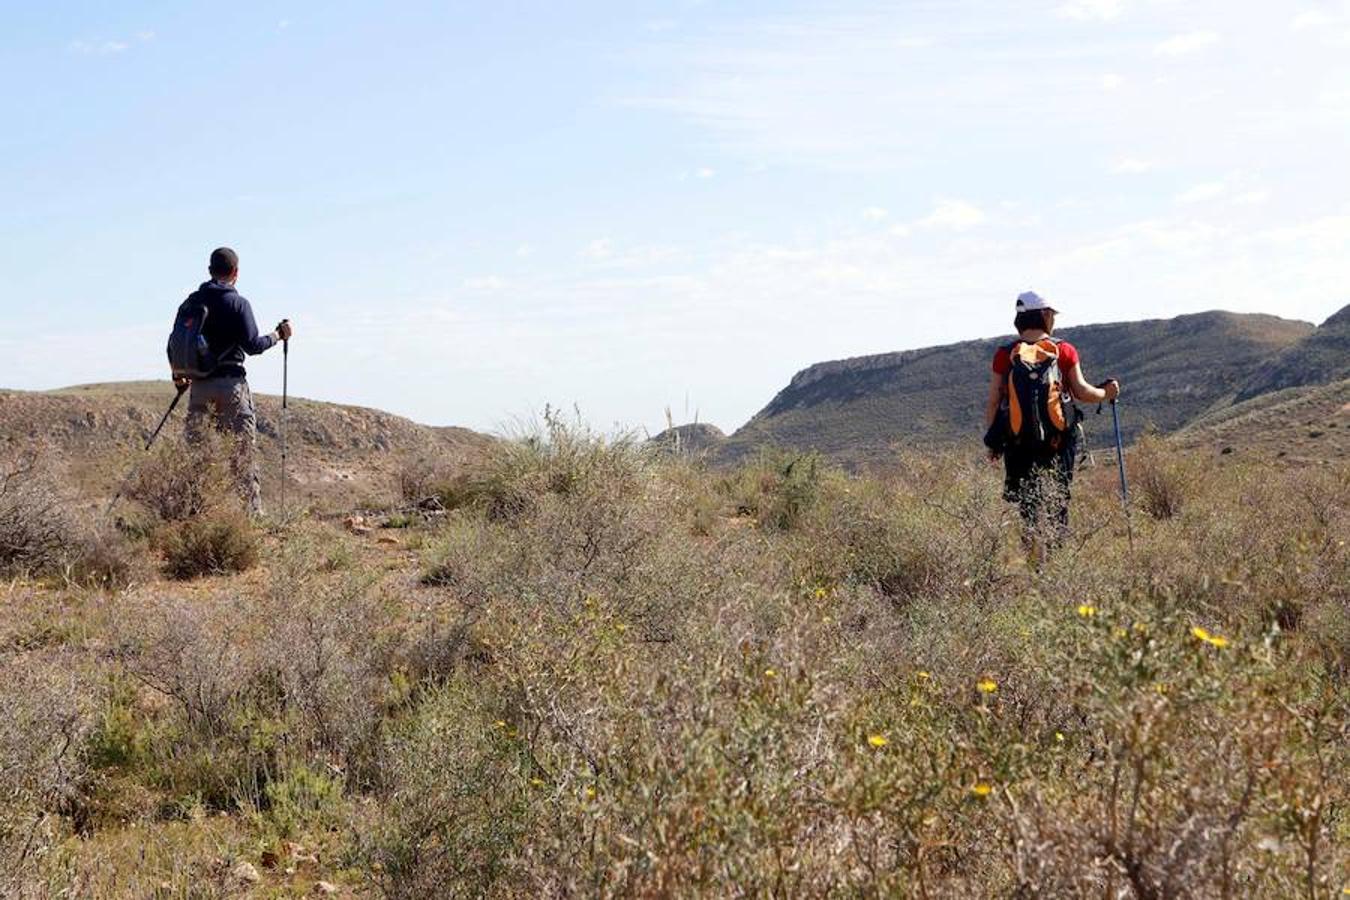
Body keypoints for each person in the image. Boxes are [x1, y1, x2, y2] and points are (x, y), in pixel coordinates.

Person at [984, 291, 1118, 544]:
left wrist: (993, 442)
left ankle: (1034, 564)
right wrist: (1106, 393)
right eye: (1052, 314)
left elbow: (993, 401)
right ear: (1044, 315)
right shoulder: (1063, 349)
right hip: (1059, 441)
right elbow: (1081, 392)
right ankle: (1058, 563)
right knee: (1058, 501)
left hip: (1018, 441)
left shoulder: (1005, 354)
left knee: (1028, 507)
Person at [176, 247, 293, 517]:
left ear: (209, 271)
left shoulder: (191, 303)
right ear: (236, 273)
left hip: (199, 386)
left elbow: (178, 343)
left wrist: (180, 377)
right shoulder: (238, 304)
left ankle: (194, 517)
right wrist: (278, 335)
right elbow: (253, 345)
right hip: (232, 387)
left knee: (197, 457)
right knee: (241, 457)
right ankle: (250, 519)